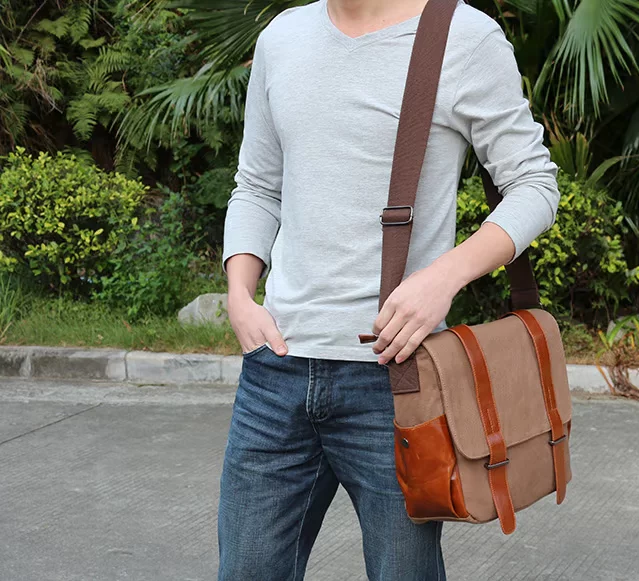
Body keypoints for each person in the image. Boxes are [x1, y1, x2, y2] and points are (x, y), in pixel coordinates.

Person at [218, 0, 560, 579]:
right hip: (273, 374)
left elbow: (534, 184)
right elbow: (256, 184)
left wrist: (444, 277)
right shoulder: (283, 37)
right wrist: (238, 294)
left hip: (398, 381)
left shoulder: (464, 36)